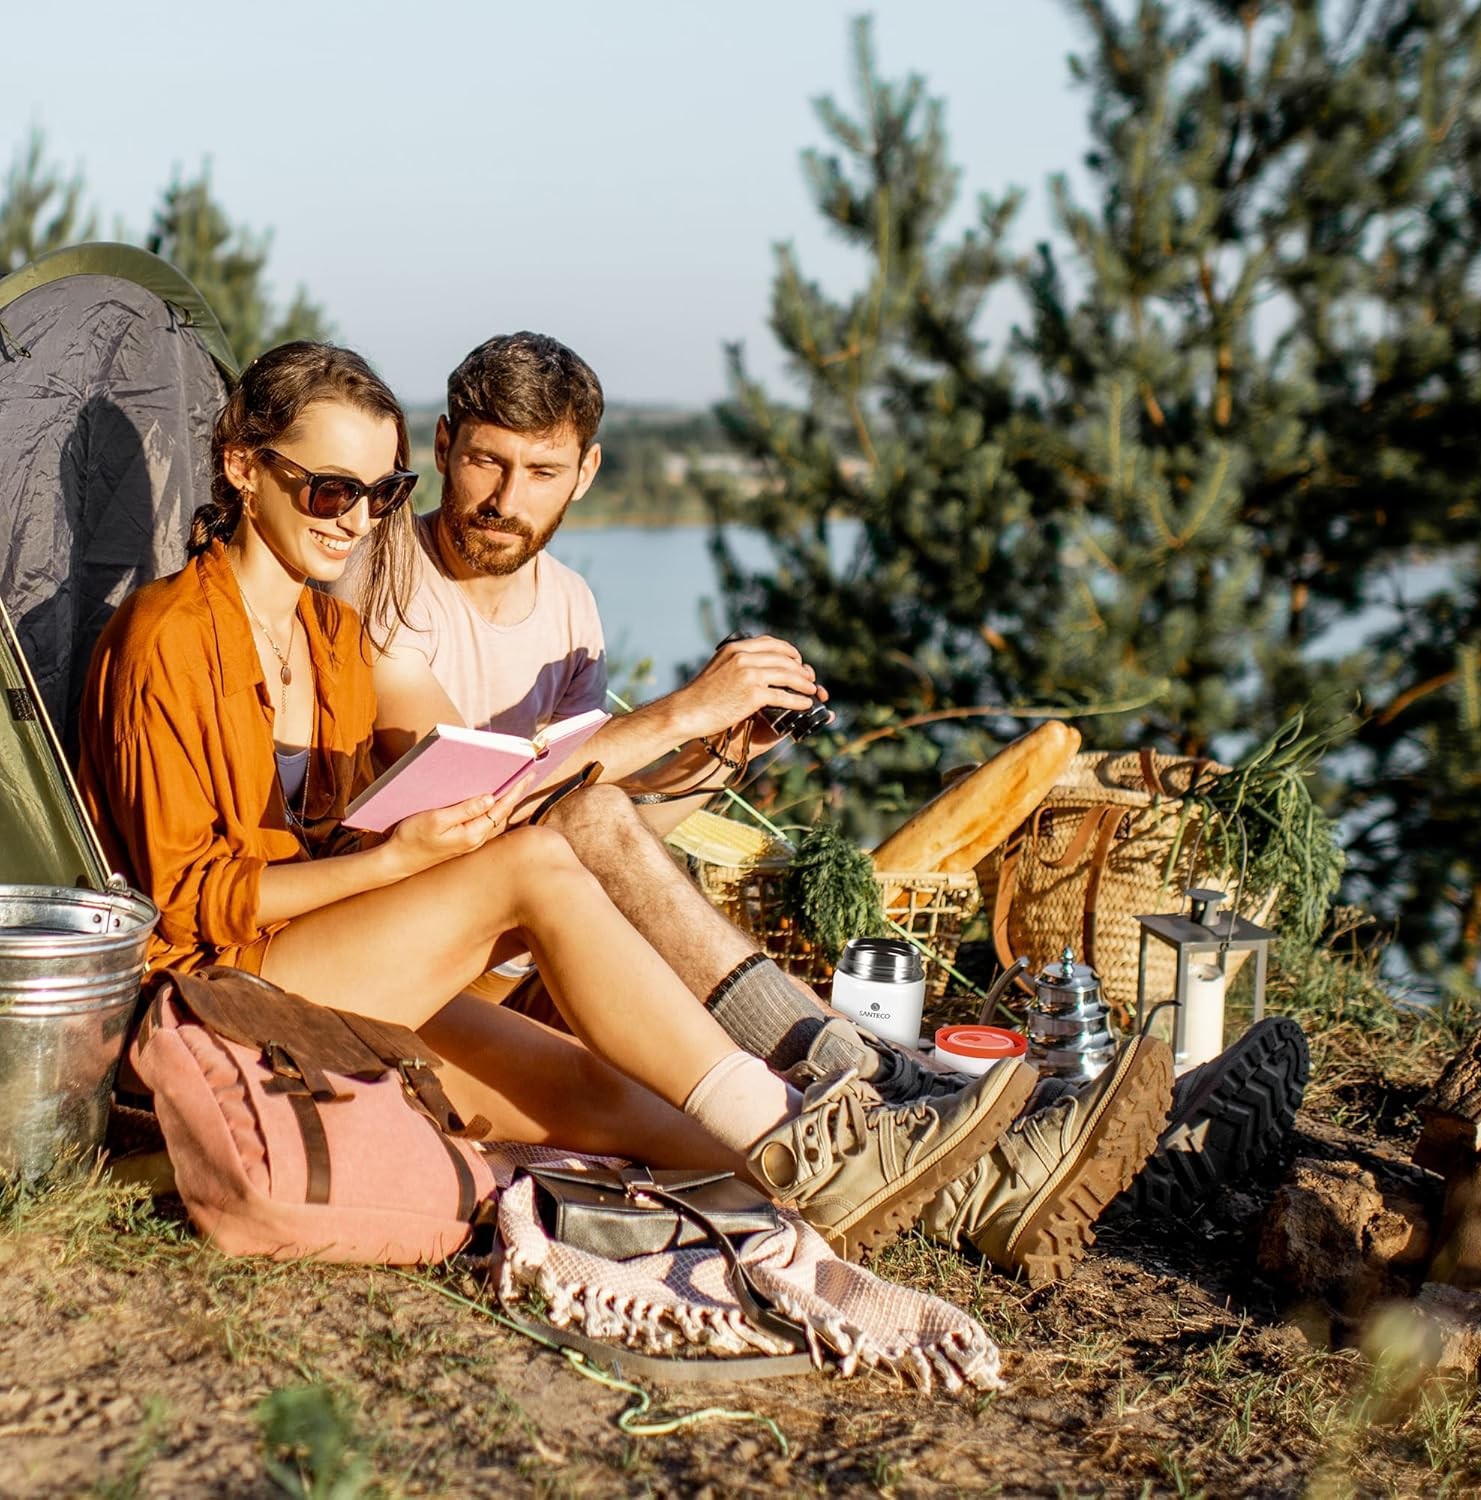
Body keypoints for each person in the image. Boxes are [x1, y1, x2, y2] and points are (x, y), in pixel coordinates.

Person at [73, 339, 1150, 1266]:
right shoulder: (170, 638)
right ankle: (846, 1136)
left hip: (332, 956)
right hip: (214, 986)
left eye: (381, 493)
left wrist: (696, 761)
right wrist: (405, 862)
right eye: (328, 491)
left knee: (609, 1105)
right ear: (240, 467)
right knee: (538, 864)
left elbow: (410, 811)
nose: (356, 520)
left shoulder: (327, 636)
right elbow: (183, 907)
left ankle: (963, 1194)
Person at [339, 331, 1307, 1280]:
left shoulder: (569, 604)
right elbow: (478, 811)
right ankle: (983, 1147)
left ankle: (955, 1115)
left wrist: (714, 762)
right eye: (485, 463)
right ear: (441, 448)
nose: (506, 499)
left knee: (611, 847)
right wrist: (679, 710)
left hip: (537, 952)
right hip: (430, 971)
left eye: (539, 471)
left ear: (586, 472)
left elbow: (596, 836)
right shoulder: (380, 576)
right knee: (732, 1115)